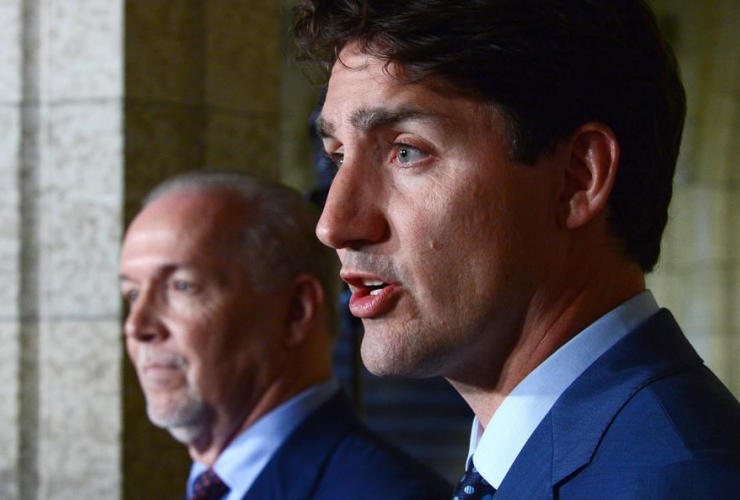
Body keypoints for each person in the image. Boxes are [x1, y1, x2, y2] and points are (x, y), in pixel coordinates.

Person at [292, 1, 740, 498]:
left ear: (577, 179)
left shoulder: (678, 482)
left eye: (405, 151)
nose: (334, 225)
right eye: (337, 157)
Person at [119, 171, 452, 500]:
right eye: (132, 294)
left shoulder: (387, 494)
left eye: (182, 286)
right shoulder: (214, 484)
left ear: (296, 311)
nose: (137, 325)